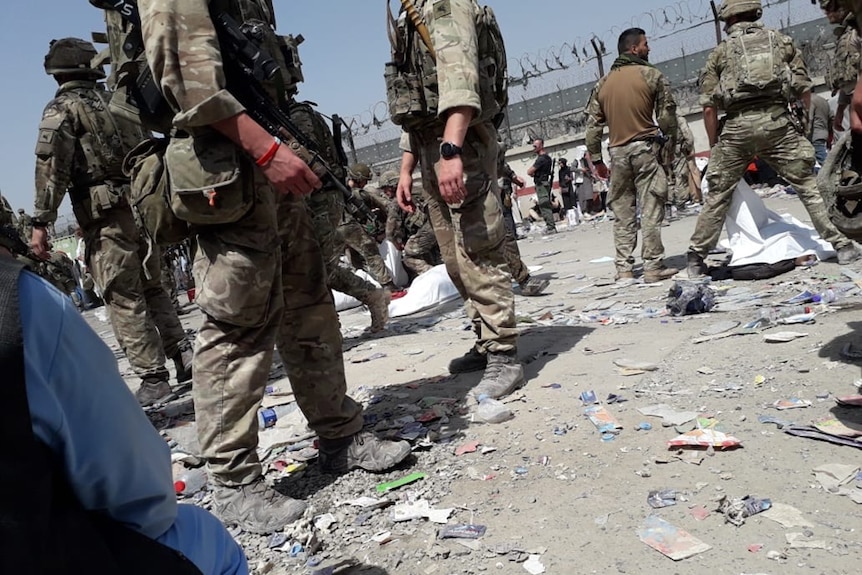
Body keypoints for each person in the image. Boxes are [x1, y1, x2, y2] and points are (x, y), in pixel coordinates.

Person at [132, 0, 411, 535]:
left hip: (268, 164)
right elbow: (191, 85)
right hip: (227, 174)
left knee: (309, 304)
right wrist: (266, 152)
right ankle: (235, 482)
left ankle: (339, 436)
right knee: (236, 326)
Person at [0, 244, 247, 575]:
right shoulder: (21, 303)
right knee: (202, 535)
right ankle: (161, 369)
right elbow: (145, 503)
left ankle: (157, 371)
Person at [30, 38, 193, 407]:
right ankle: (184, 355)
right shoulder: (120, 100)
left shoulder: (62, 109)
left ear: (57, 74)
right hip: (144, 205)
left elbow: (51, 167)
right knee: (154, 287)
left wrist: (41, 221)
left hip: (106, 216)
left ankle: (154, 377)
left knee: (122, 294)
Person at [387, 0, 525, 400]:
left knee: (478, 248)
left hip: (458, 145)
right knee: (453, 256)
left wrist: (451, 153)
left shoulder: (442, 5)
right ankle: (485, 339)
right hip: (432, 145)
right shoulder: (408, 15)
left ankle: (504, 351)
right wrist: (405, 170)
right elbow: (414, 99)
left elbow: (460, 80)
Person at [686, 0, 861, 277]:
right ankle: (841, 246)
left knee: (718, 194)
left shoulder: (719, 53)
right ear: (756, 12)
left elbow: (708, 106)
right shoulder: (781, 42)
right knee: (807, 185)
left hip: (737, 129)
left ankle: (696, 259)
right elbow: (804, 90)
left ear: (727, 20)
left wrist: (714, 143)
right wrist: (800, 127)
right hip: (778, 123)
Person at [281, 35, 391, 332]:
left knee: (317, 267)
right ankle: (358, 308)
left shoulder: (296, 114)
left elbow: (306, 158)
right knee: (315, 267)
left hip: (319, 198)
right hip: (314, 199)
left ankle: (360, 305)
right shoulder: (293, 113)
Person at [585, 27, 680, 283]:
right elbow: (666, 117)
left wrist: (596, 159)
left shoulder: (602, 84)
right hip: (644, 149)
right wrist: (672, 141)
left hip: (617, 154)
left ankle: (624, 269)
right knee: (651, 206)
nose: (649, 48)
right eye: (646, 44)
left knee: (623, 212)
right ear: (634, 48)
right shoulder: (651, 75)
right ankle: (652, 266)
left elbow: (593, 126)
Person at [340, 163, 403, 293]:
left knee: (353, 257)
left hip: (334, 229)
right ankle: (388, 285)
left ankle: (363, 285)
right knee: (370, 251)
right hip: (347, 226)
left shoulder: (340, 191)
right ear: (358, 178)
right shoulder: (360, 194)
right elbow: (386, 205)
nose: (365, 183)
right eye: (365, 180)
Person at [379, 170, 441, 277]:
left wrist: (396, 242)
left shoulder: (398, 201)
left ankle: (434, 275)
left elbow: (391, 230)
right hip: (440, 225)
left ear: (393, 186)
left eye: (386, 188)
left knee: (408, 255)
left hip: (429, 230)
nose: (384, 192)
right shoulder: (417, 190)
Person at [818, 1, 859, 132]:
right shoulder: (846, 34)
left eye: (829, 7)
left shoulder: (856, 31)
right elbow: (848, 76)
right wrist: (841, 109)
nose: (825, 12)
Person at [669, 111, 702, 207]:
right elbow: (687, 134)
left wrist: (688, 147)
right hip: (681, 149)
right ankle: (694, 197)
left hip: (682, 149)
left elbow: (687, 135)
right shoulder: (676, 119)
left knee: (689, 173)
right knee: (688, 173)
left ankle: (695, 197)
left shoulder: (675, 120)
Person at [526, 139, 558, 234]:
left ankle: (551, 227)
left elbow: (529, 171)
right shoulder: (547, 157)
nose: (534, 148)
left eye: (535, 146)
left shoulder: (542, 159)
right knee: (545, 205)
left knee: (544, 206)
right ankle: (550, 226)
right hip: (544, 183)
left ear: (541, 146)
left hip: (541, 184)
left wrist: (534, 173)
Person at [808, 92, 833, 167]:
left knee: (822, 158)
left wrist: (806, 131)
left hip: (815, 134)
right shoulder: (823, 100)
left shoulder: (810, 101)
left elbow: (810, 118)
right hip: (824, 132)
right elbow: (831, 117)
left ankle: (833, 173)